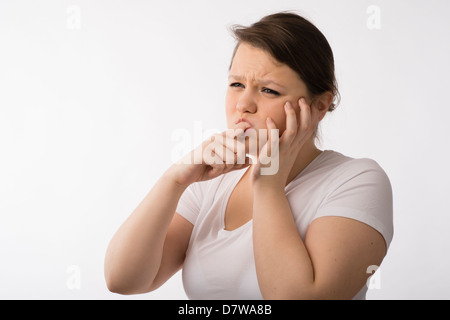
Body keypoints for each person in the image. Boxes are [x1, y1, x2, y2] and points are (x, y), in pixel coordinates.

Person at [104, 11, 393, 300]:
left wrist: (269, 181)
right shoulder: (211, 183)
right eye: (236, 84)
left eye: (268, 90)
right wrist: (175, 180)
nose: (243, 104)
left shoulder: (357, 180)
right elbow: (123, 279)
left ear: (319, 105)